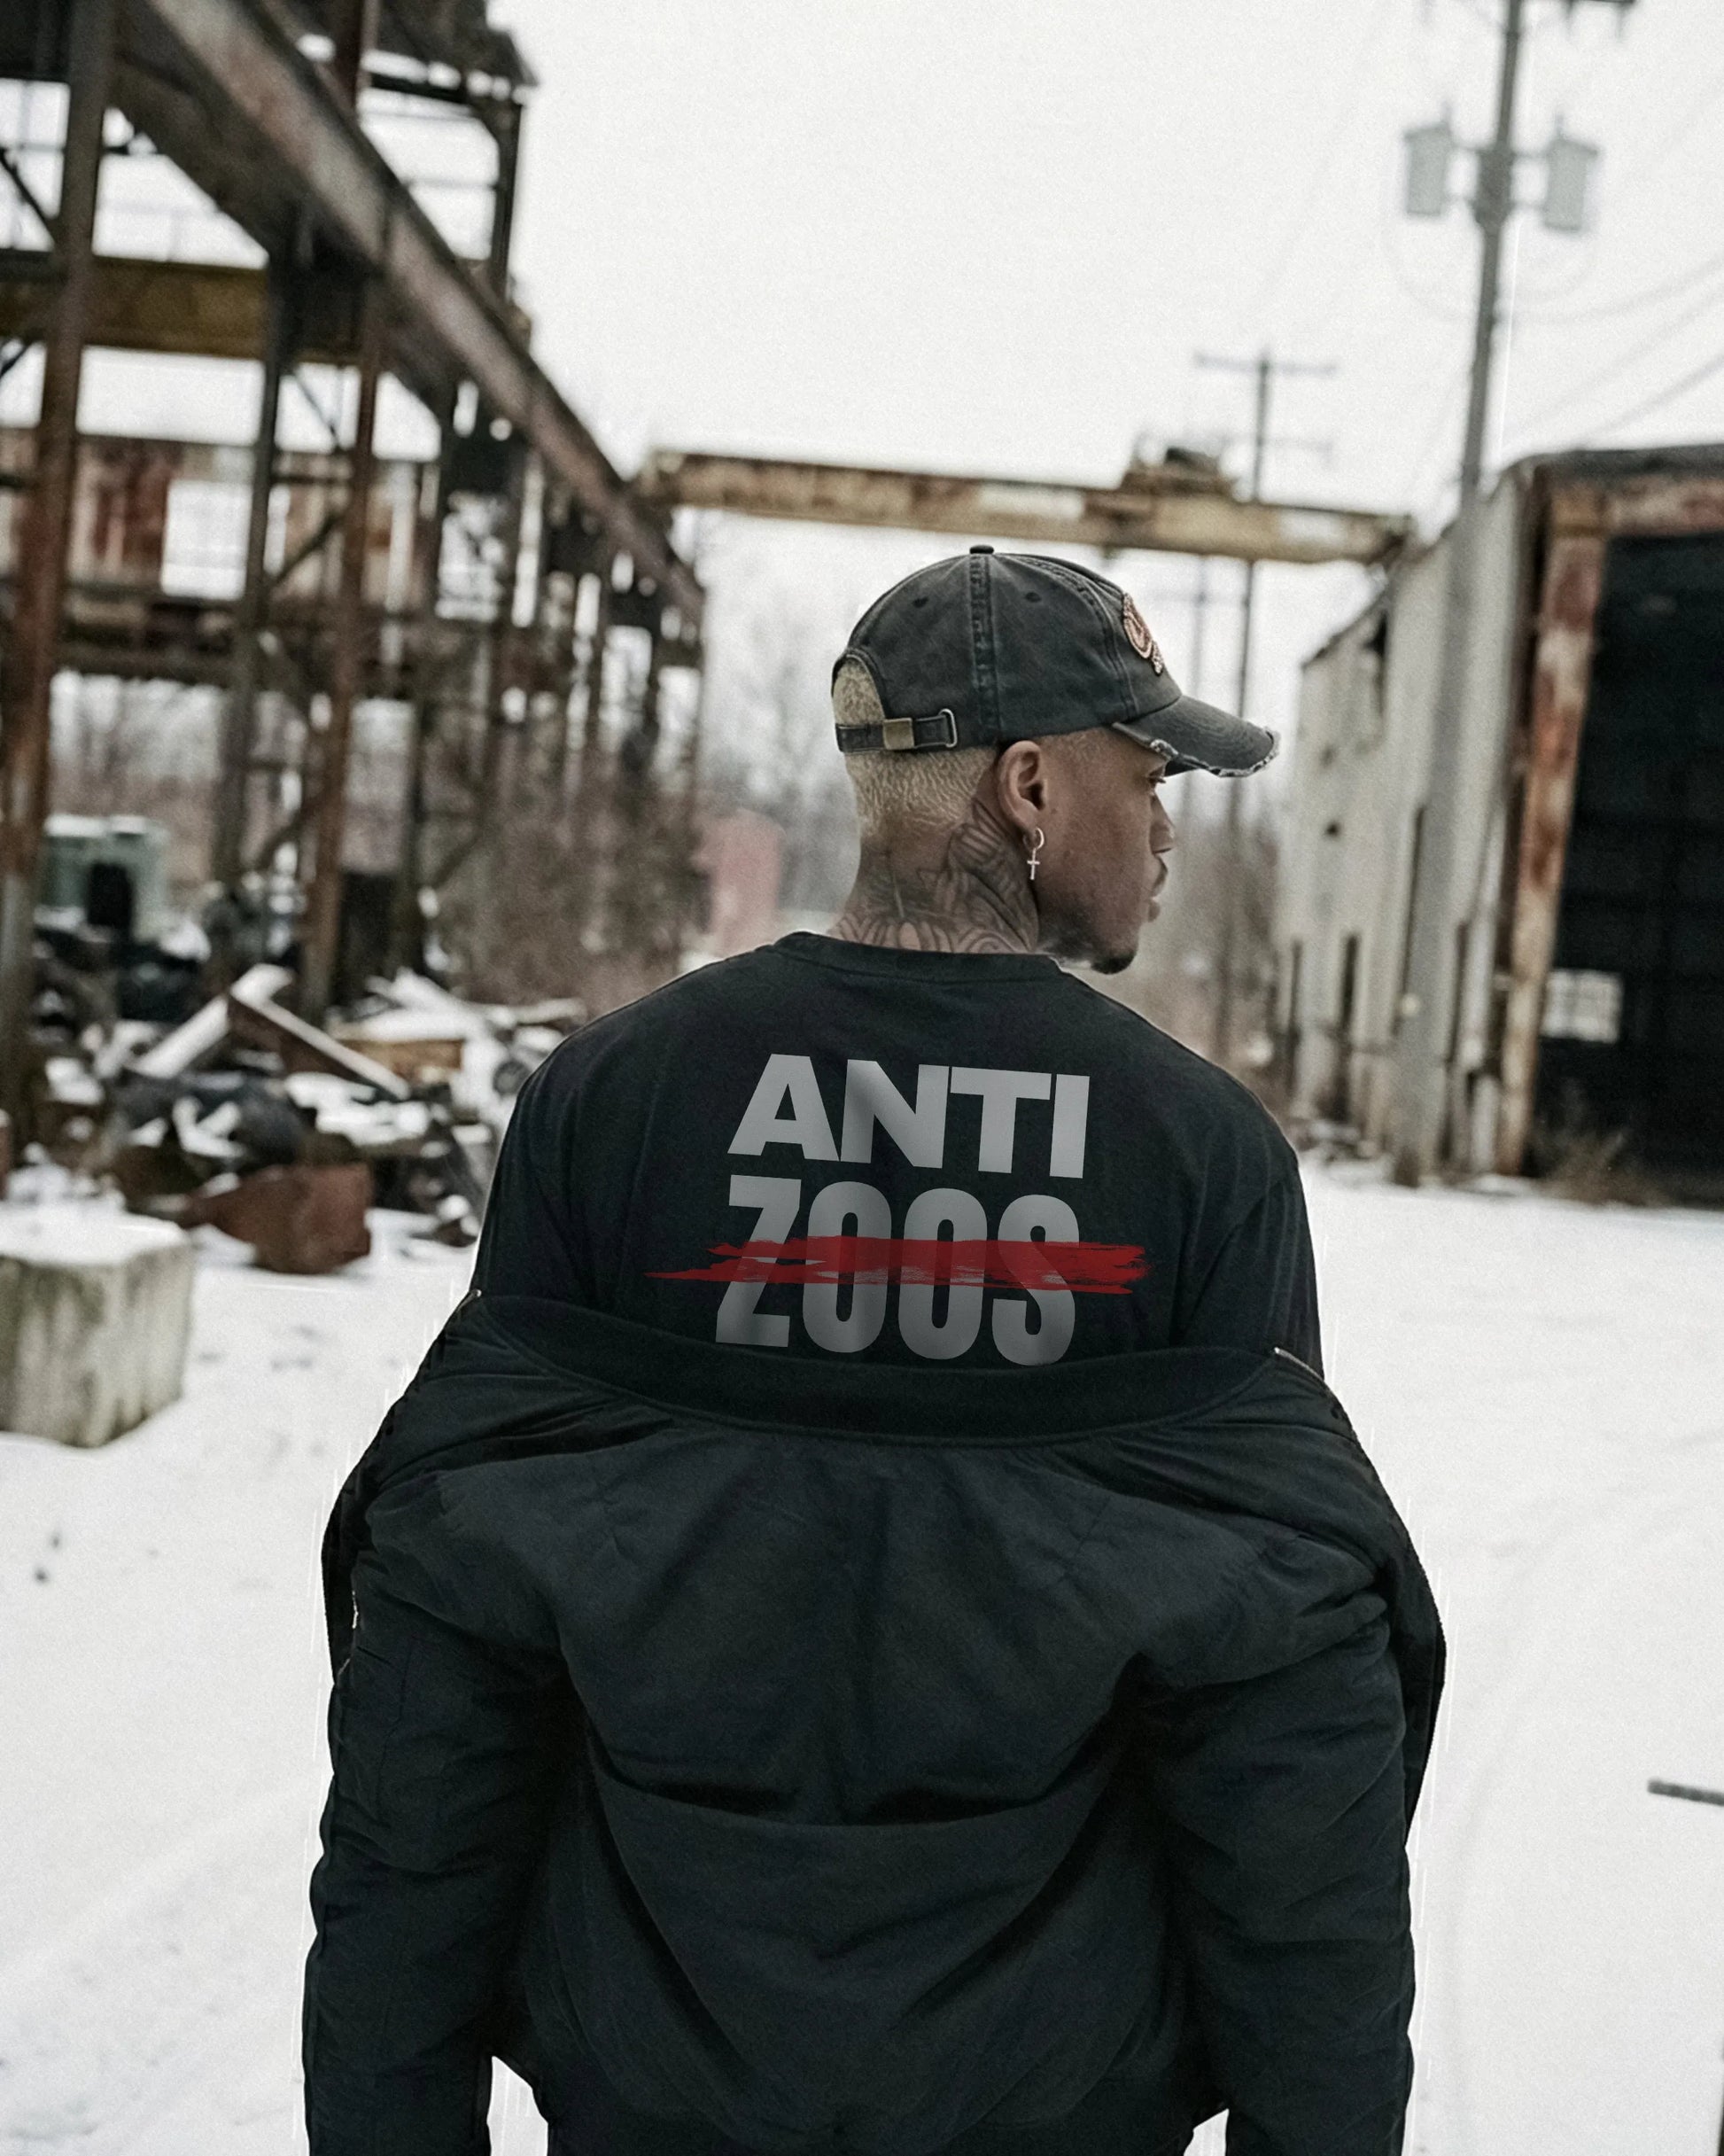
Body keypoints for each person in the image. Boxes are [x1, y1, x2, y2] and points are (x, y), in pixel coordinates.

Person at [305, 548, 1442, 2156]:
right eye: (1153, 772)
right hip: (1050, 2099)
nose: (1172, 824)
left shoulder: (610, 1106)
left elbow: (448, 1686)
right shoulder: (1195, 1157)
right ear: (1033, 787)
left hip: (655, 2088)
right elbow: (1284, 1736)